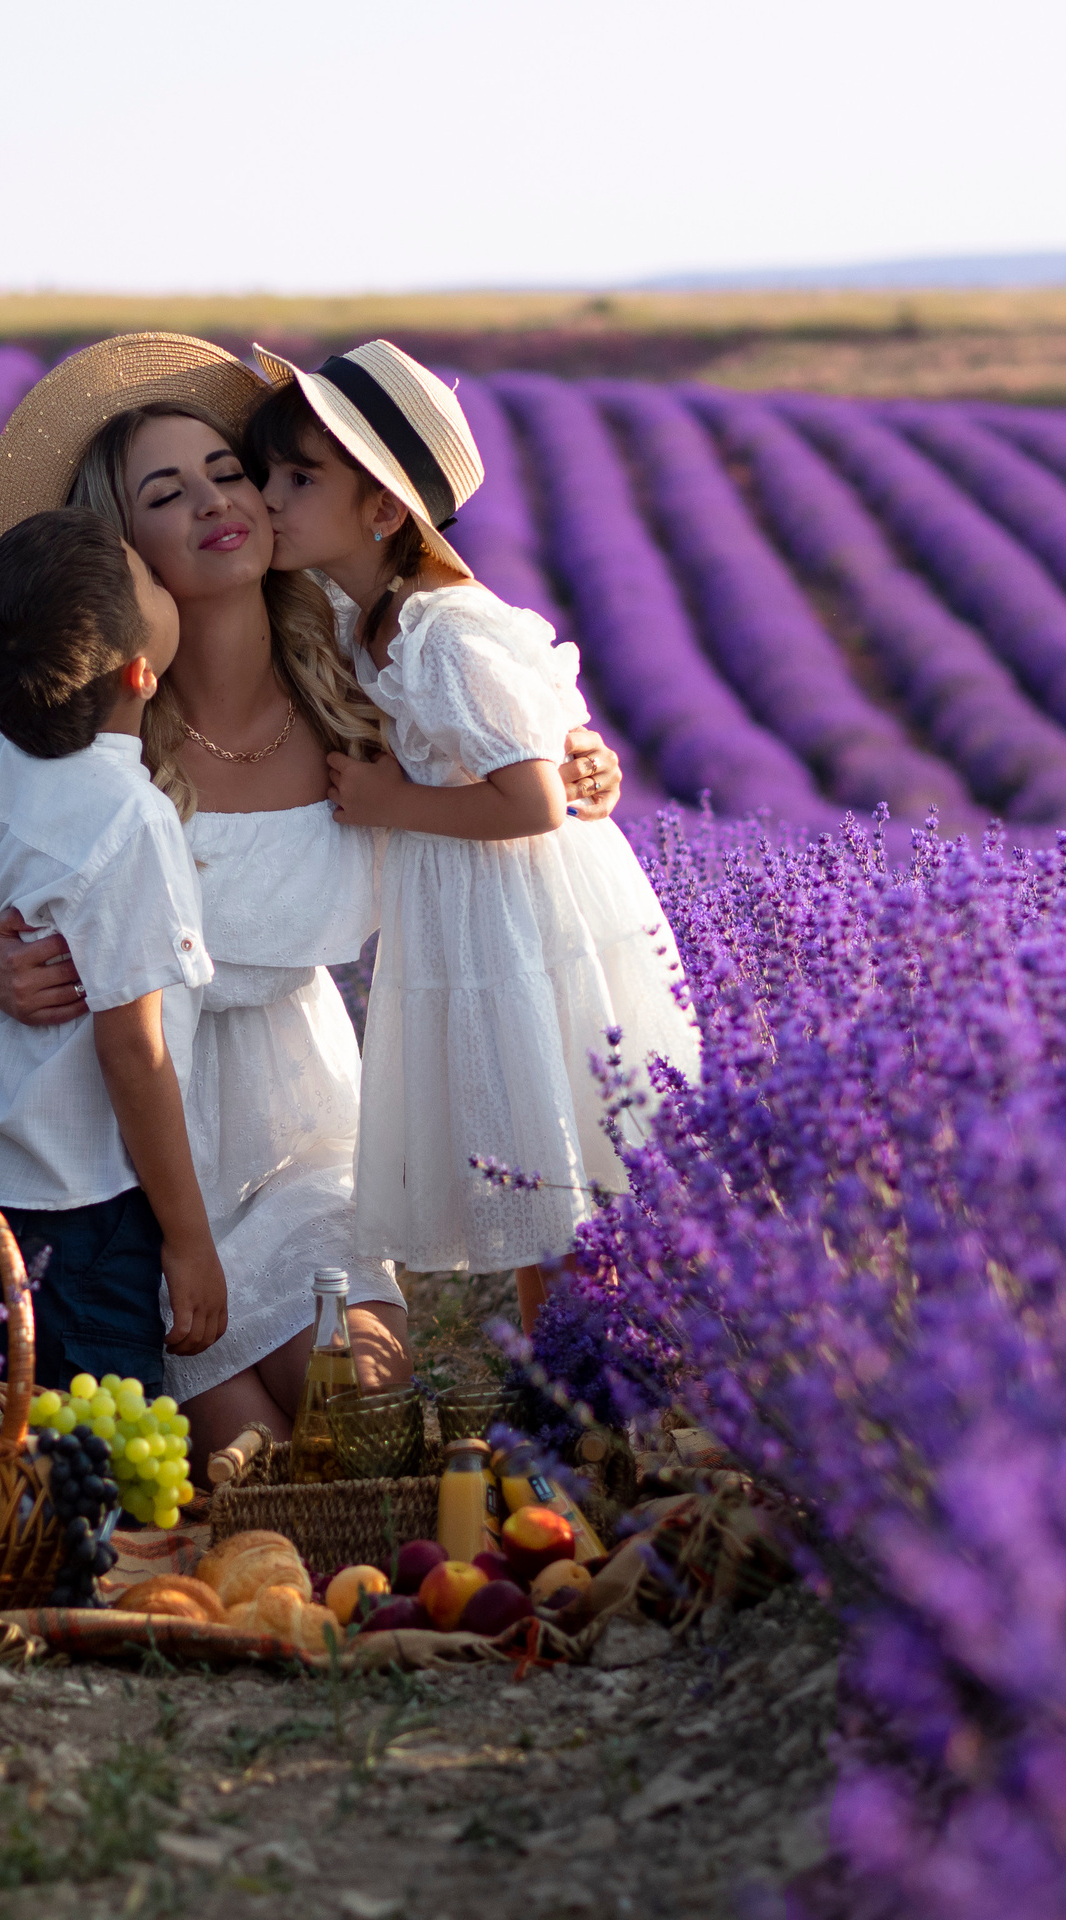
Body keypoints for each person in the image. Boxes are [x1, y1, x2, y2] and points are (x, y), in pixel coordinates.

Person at [0, 335, 630, 1463]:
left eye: (228, 470)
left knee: (358, 1424)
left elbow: (507, 736)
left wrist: (579, 755)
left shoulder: (367, 679)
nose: (219, 500)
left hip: (308, 1127)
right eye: (168, 493)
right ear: (121, 549)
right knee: (230, 1475)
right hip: (138, 1162)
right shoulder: (92, 746)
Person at [245, 340, 703, 1335]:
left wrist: (386, 802)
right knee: (541, 1172)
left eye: (298, 477)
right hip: (480, 910)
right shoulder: (353, 608)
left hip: (525, 919)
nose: (268, 495)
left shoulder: (442, 629)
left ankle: (596, 1383)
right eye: (269, 472)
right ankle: (572, 1385)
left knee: (561, 1168)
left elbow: (535, 800)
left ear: (379, 509)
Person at [0, 506, 227, 1399]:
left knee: (36, 1416)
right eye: (153, 584)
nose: (164, 580)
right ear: (141, 672)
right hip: (88, 1194)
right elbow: (134, 1050)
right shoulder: (129, 818)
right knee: (102, 1442)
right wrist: (188, 1240)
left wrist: (10, 652)